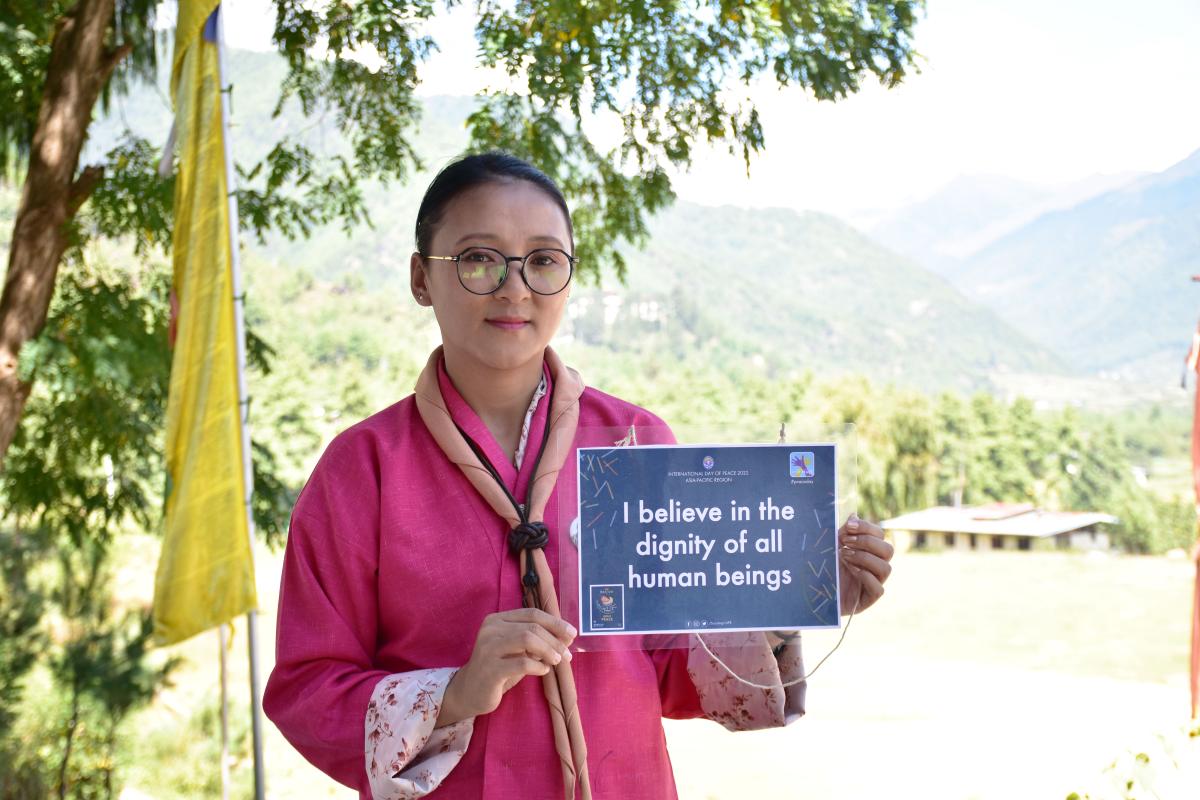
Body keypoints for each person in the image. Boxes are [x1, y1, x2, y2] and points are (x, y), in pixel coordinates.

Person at [263, 152, 895, 800]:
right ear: (422, 277)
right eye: (479, 258)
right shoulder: (362, 470)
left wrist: (793, 599)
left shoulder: (635, 444)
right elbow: (307, 691)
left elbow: (675, 662)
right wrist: (454, 692)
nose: (515, 288)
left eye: (542, 260)